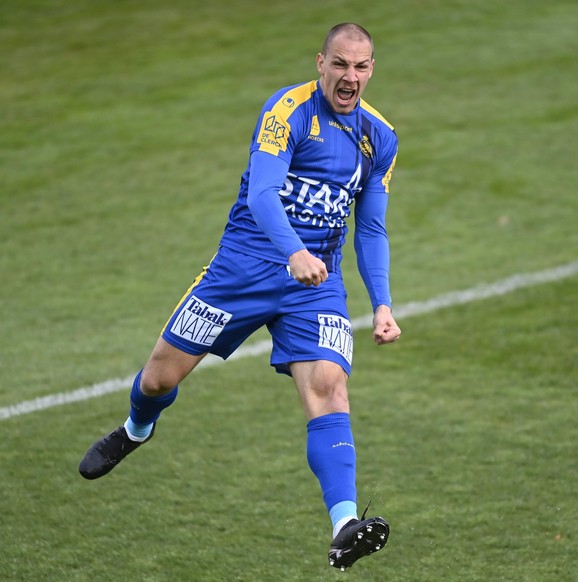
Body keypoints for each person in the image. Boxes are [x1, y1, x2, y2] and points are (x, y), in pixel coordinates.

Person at [79, 22, 401, 571]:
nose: (350, 77)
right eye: (340, 64)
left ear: (372, 69)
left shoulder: (379, 137)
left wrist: (383, 303)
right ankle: (137, 429)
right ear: (319, 62)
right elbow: (262, 194)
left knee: (328, 385)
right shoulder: (287, 111)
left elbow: (370, 230)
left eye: (361, 66)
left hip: (315, 286)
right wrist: (293, 252)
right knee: (159, 378)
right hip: (244, 268)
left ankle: (344, 522)